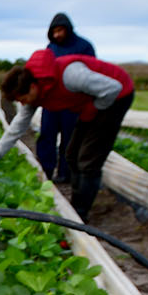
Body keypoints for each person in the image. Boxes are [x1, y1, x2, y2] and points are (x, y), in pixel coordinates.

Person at [0, 49, 134, 221]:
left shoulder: (71, 75)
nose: (23, 104)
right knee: (71, 154)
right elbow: (18, 125)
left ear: (32, 87)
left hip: (115, 97)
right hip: (93, 102)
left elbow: (113, 88)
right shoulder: (34, 92)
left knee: (88, 159)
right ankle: (76, 205)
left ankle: (80, 215)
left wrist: (90, 111)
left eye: (23, 99)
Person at [36, 13, 96, 181]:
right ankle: (46, 171)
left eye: (60, 30)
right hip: (52, 100)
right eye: (54, 32)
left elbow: (90, 74)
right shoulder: (51, 47)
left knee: (69, 139)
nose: (57, 35)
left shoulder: (84, 46)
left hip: (73, 102)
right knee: (47, 135)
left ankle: (66, 173)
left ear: (68, 29)